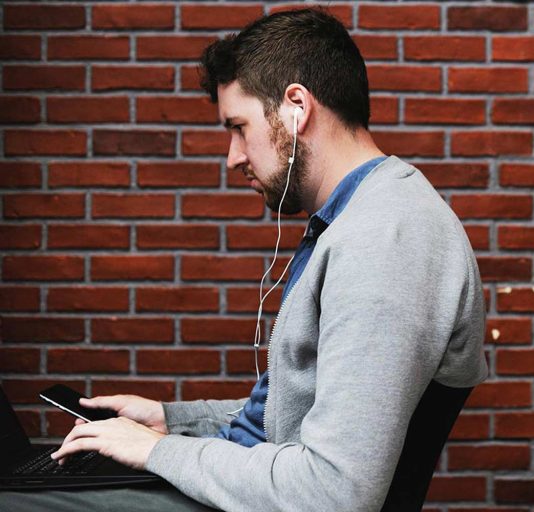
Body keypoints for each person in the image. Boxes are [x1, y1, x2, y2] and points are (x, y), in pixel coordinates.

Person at [2, 8, 487, 511]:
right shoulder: (360, 216)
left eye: (239, 126)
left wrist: (159, 452)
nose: (233, 156)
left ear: (296, 108)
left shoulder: (386, 241)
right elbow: (300, 414)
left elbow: (335, 491)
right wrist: (173, 422)